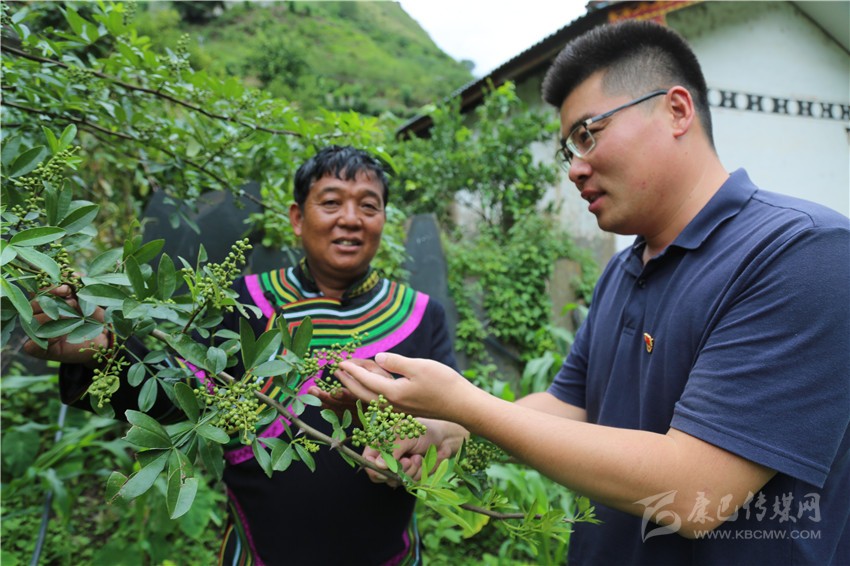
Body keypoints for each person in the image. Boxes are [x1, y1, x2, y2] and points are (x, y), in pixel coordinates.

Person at [336, 20, 850, 565]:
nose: (575, 170)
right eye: (568, 150)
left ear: (677, 111)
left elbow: (697, 492)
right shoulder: (623, 269)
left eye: (588, 134)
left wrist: (466, 404)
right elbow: (571, 406)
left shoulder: (802, 251)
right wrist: (450, 429)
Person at [25, 145, 467, 565]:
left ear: (384, 218)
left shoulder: (421, 315)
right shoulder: (244, 301)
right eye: (331, 202)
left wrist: (430, 440)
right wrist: (107, 350)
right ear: (297, 217)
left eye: (368, 206)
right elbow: (181, 399)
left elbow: (458, 420)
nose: (350, 219)